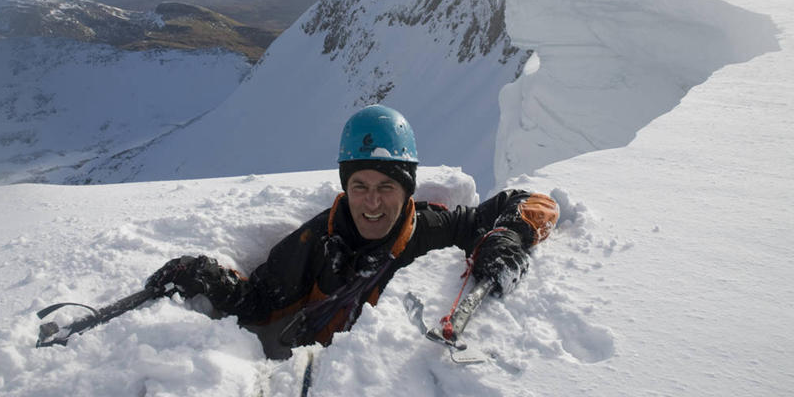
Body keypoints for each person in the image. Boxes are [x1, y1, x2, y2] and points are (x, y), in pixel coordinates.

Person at [145, 104, 558, 352]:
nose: (372, 202)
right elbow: (258, 301)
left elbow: (532, 203)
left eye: (386, 187)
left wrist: (507, 236)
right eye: (359, 186)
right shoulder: (317, 240)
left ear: (408, 189)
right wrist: (209, 278)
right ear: (345, 187)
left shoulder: (432, 229)